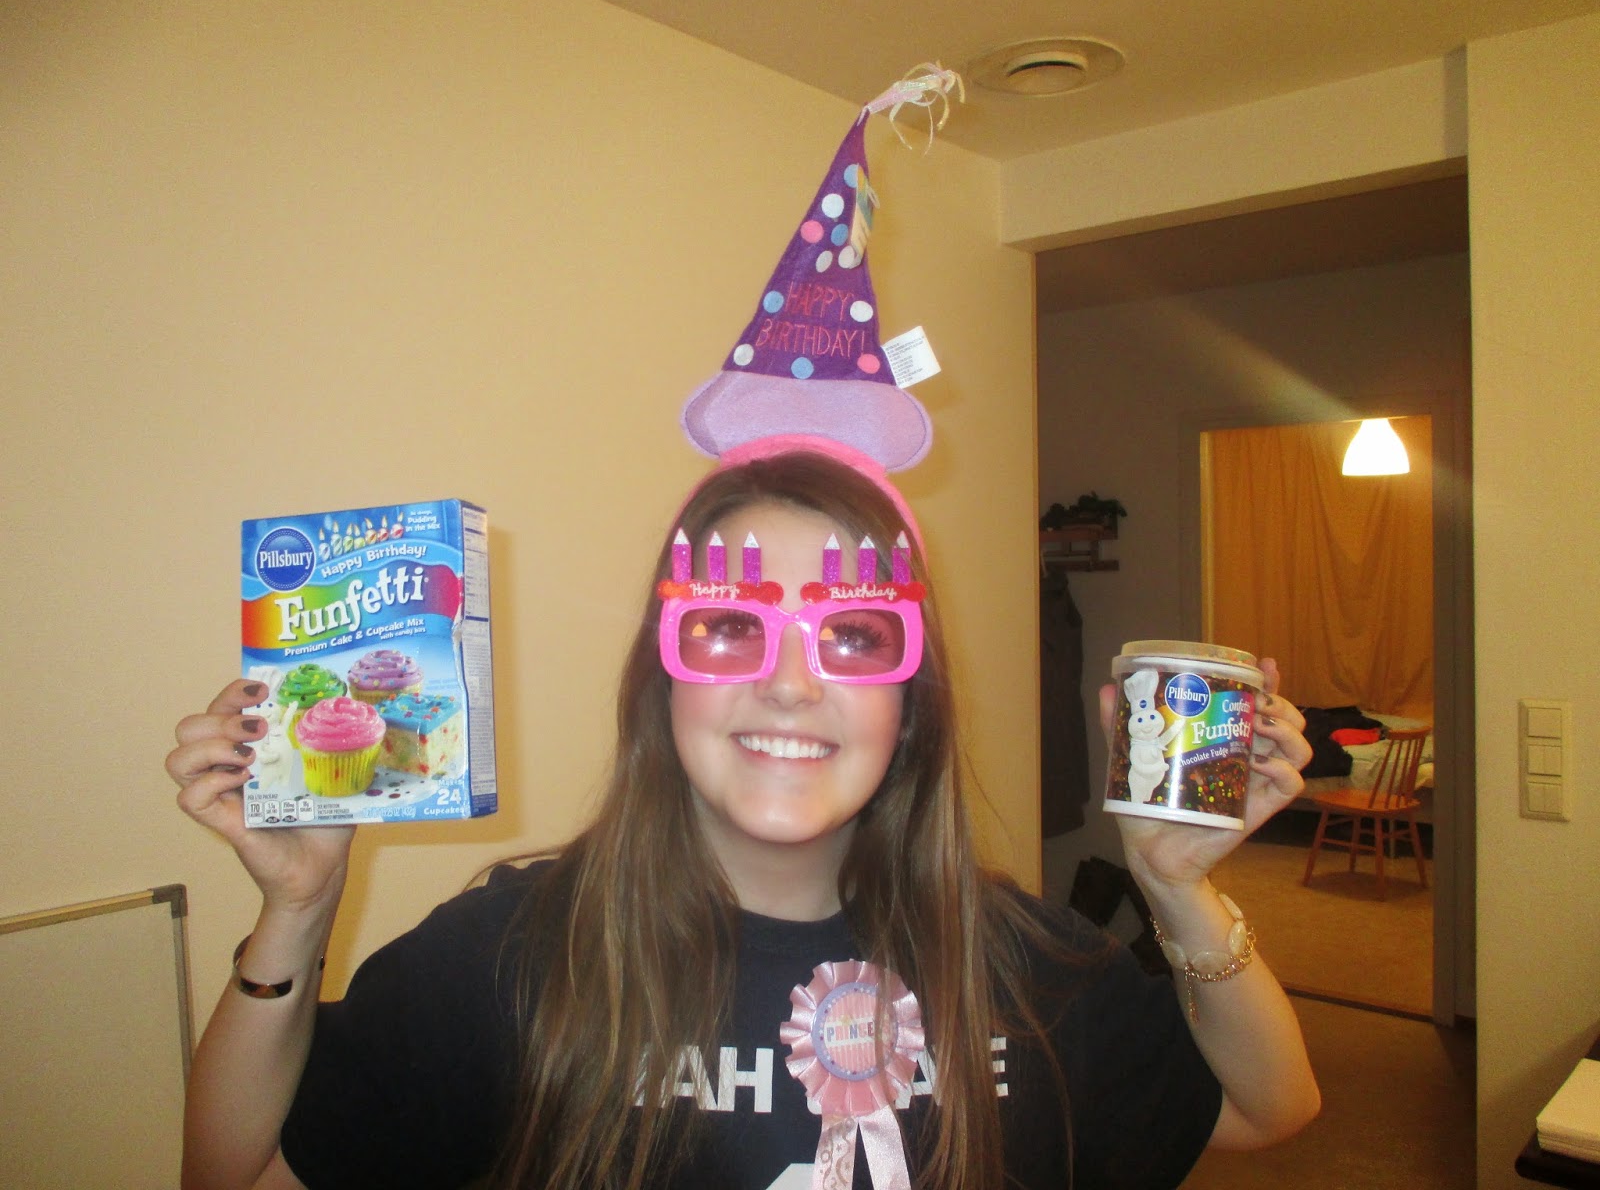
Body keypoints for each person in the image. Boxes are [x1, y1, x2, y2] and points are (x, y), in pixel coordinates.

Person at [167, 443, 1319, 1190]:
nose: (790, 683)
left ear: (910, 705)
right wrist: (297, 908)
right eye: (728, 626)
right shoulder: (507, 957)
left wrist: (1177, 887)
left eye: (853, 635)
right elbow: (241, 1172)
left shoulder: (1020, 961)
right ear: (660, 679)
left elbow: (1268, 1109)